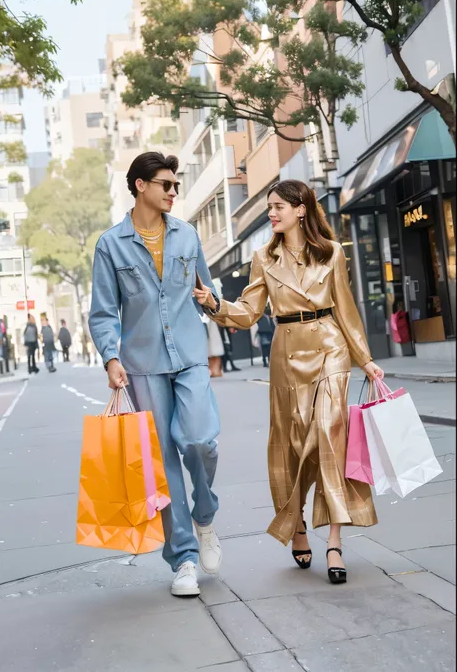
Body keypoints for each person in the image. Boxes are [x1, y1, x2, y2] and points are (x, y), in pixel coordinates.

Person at [194, 179, 384, 585]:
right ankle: (296, 524)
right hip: (286, 353)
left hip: (330, 348)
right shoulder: (263, 257)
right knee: (292, 445)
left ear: (301, 209)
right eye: (269, 207)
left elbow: (347, 311)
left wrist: (365, 360)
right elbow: (248, 311)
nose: (272, 213)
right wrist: (214, 304)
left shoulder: (332, 253)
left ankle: (334, 540)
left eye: (278, 205)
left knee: (332, 439)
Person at [89, 151, 222, 598]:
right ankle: (182, 558)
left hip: (188, 355)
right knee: (162, 462)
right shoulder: (111, 244)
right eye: (165, 184)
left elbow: (207, 289)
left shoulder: (187, 235)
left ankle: (205, 513)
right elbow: (104, 312)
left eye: (175, 185)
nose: (172, 192)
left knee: (199, 441)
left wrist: (215, 302)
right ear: (140, 185)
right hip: (142, 363)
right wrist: (111, 358)